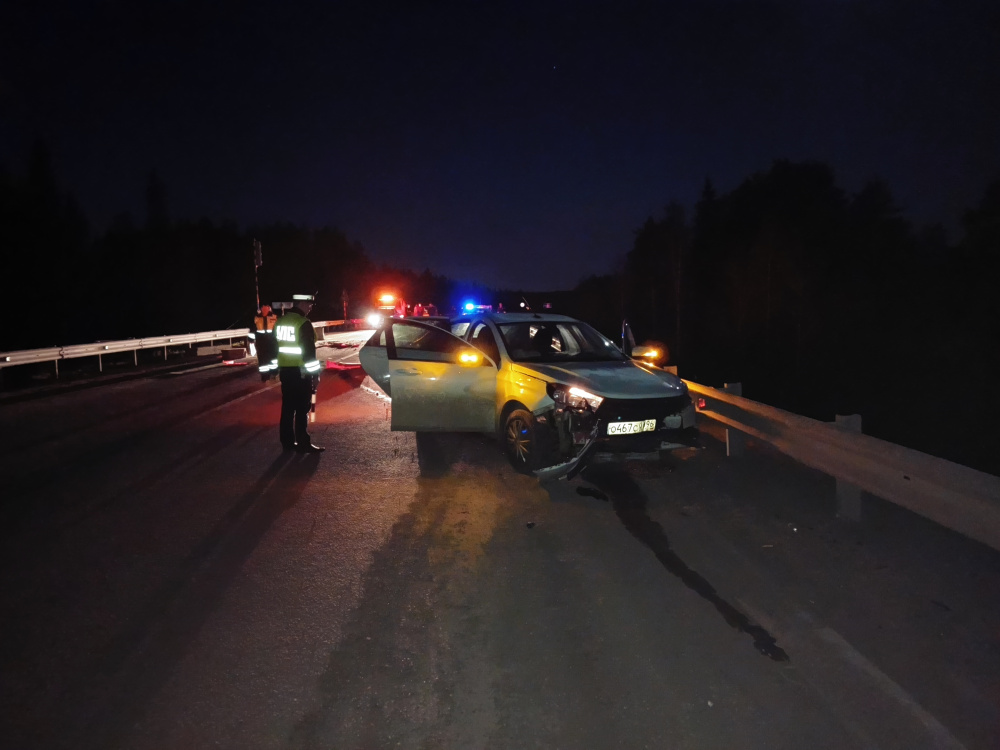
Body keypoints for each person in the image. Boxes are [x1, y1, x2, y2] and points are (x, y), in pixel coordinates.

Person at [275, 294, 324, 453]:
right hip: (301, 373)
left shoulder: (281, 321)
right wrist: (315, 375)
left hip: (286, 372)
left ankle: (287, 443)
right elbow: (309, 353)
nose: (311, 307)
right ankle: (303, 443)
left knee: (288, 408)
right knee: (302, 409)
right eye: (309, 304)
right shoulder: (303, 323)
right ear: (302, 303)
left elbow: (274, 346)